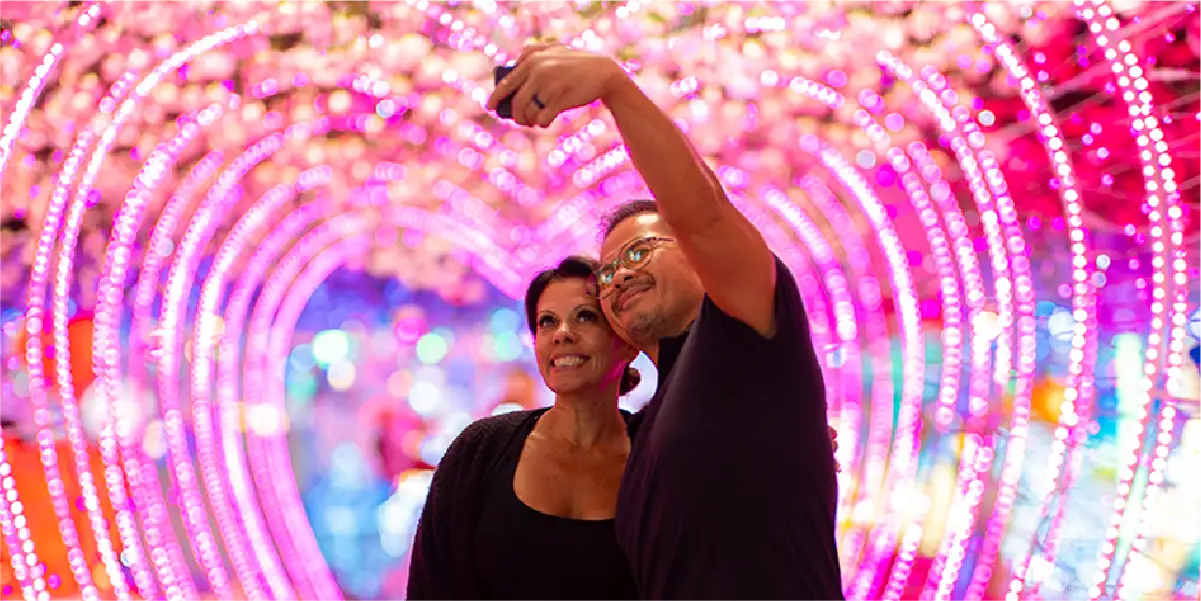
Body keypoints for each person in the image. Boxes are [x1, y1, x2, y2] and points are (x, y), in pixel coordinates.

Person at [488, 46, 845, 600]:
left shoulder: (746, 334)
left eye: (638, 254)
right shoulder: (649, 429)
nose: (618, 278)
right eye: (606, 273)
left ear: (697, 258)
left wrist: (615, 88)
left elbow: (702, 214)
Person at [406, 256, 642, 601]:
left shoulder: (655, 455)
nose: (562, 334)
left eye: (586, 316)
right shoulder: (481, 449)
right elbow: (431, 586)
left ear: (628, 341)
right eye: (547, 322)